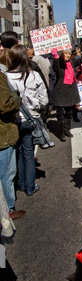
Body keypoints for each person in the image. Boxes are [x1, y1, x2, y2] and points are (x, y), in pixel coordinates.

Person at [6, 44, 48, 196]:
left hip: (14, 119)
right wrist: (39, 108)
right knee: (29, 153)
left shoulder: (6, 76)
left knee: (18, 152)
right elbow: (44, 99)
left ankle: (21, 184)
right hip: (31, 118)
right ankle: (30, 186)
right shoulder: (34, 75)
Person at [0, 59, 26, 219]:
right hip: (4, 132)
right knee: (6, 172)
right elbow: (5, 104)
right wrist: (16, 99)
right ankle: (7, 210)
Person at [51, 47, 82, 141]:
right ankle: (61, 133)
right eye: (66, 53)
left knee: (69, 113)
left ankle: (67, 130)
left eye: (69, 54)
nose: (68, 55)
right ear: (62, 54)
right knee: (60, 113)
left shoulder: (72, 62)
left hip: (70, 91)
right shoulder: (59, 62)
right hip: (60, 92)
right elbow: (56, 69)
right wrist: (55, 57)